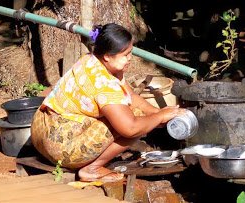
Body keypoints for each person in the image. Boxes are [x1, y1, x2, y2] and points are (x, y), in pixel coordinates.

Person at [31, 23, 184, 182]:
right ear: (108, 56)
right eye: (125, 54)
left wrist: (157, 113)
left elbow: (129, 95)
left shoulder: (90, 60)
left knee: (135, 113)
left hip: (40, 130)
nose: (130, 58)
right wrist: (159, 118)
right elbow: (130, 128)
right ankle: (92, 169)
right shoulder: (103, 84)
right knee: (135, 119)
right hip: (61, 147)